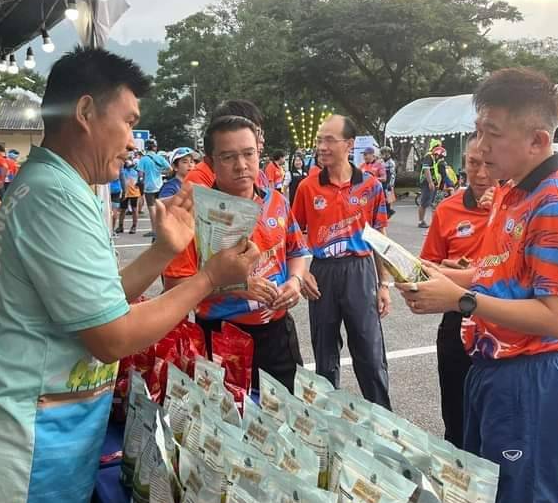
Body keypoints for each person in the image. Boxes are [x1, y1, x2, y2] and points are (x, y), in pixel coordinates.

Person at [0, 46, 258, 503]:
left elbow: (101, 299)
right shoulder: (53, 196)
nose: (132, 143)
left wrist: (163, 251)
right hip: (22, 467)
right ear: (86, 111)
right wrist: (209, 277)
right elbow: (110, 336)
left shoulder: (63, 185)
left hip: (43, 454)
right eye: (128, 122)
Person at [397, 68, 558, 503]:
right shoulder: (511, 192)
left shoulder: (556, 204)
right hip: (490, 370)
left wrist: (461, 301)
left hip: (528, 380)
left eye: (493, 134)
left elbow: (557, 318)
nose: (480, 147)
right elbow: (496, 272)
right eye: (478, 130)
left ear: (537, 141)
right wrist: (441, 275)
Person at [163, 116, 309, 392]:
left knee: (287, 410)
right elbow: (174, 286)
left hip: (278, 334)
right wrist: (238, 287)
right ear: (210, 162)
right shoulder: (193, 214)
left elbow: (296, 251)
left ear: (258, 154)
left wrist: (295, 281)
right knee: (229, 415)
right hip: (221, 336)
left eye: (248, 154)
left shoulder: (276, 201)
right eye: (228, 157)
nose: (241, 165)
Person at [292, 115, 392, 409]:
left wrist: (384, 284)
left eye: (329, 140)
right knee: (324, 352)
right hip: (322, 273)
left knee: (369, 351)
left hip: (359, 272)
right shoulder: (307, 187)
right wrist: (301, 272)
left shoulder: (371, 186)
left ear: (349, 144)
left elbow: (379, 238)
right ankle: (327, 420)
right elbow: (292, 235)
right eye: (319, 140)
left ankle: (382, 419)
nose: (322, 147)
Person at [419, 133, 496, 448]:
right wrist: (443, 269)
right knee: (456, 420)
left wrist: (500, 210)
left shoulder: (517, 208)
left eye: (489, 164)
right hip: (457, 319)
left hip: (503, 326)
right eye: (473, 163)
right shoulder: (448, 209)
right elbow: (427, 265)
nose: (481, 174)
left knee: (497, 427)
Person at [186, 99, 267, 188]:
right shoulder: (197, 180)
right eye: (228, 157)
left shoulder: (256, 175)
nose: (262, 139)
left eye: (260, 132)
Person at [139, 139, 171, 237]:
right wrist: (161, 173)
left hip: (149, 187)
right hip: (160, 186)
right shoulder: (159, 158)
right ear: (155, 147)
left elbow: (140, 174)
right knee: (161, 208)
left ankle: (154, 230)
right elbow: (170, 169)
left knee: (152, 209)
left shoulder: (143, 159)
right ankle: (164, 228)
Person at [417, 140, 447, 228]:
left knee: (431, 202)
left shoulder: (435, 158)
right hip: (426, 182)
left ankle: (432, 222)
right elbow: (426, 169)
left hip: (432, 182)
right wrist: (430, 182)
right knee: (424, 202)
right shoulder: (429, 156)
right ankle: (421, 221)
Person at [117, 158, 141, 234]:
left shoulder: (136, 172)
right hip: (125, 193)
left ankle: (134, 226)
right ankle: (120, 226)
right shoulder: (122, 171)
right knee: (123, 209)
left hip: (134, 193)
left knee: (134, 209)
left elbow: (140, 180)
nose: (129, 165)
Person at [380, 146, 396, 217]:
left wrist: (391, 184)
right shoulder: (381, 161)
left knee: (388, 198)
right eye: (383, 153)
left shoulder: (391, 162)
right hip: (382, 180)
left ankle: (389, 211)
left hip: (388, 181)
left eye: (386, 153)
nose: (384, 155)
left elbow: (393, 174)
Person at [109, 170, 123, 237]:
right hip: (114, 190)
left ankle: (111, 230)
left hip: (113, 191)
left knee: (112, 213)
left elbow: (122, 178)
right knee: (113, 212)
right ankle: (112, 230)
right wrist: (124, 191)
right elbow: (122, 178)